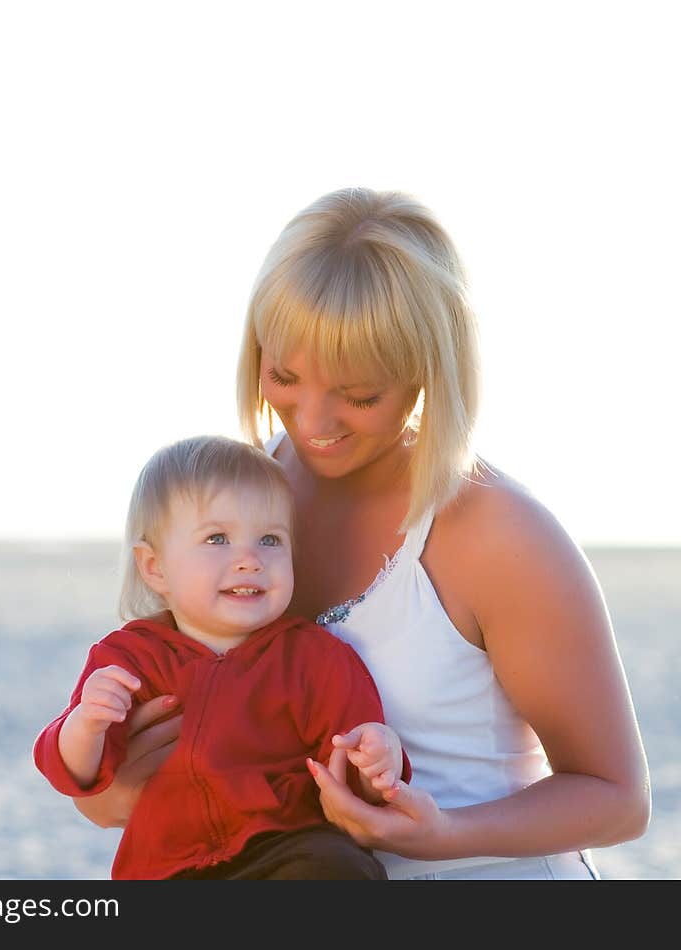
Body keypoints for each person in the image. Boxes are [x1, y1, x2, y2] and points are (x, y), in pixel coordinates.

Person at [74, 187, 651, 880]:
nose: (313, 420)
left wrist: (441, 833)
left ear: (428, 373)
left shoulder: (497, 534)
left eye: (359, 394)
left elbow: (618, 800)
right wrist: (111, 786)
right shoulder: (237, 506)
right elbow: (149, 753)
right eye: (285, 375)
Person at [34, 434, 411, 879]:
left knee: (342, 866)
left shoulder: (314, 658)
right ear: (154, 567)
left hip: (285, 847)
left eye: (271, 540)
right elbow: (74, 772)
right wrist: (86, 724)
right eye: (217, 539)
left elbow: (351, 770)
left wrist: (377, 758)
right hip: (169, 866)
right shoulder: (128, 658)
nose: (250, 559)